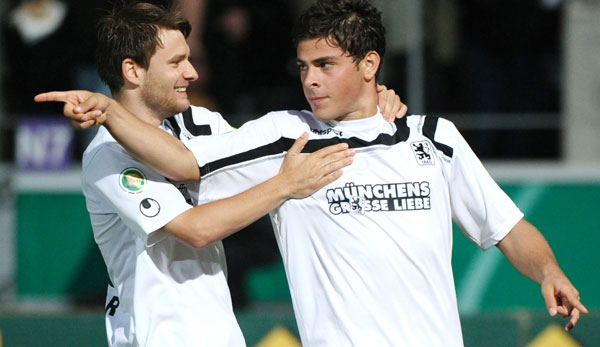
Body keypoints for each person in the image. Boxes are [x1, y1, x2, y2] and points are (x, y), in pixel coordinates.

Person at [37, 0, 586, 346]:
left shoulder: (432, 137)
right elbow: (192, 196)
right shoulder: (283, 139)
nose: (310, 81)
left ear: (369, 66)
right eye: (303, 68)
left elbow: (507, 227)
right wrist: (108, 112)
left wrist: (547, 270)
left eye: (325, 66)